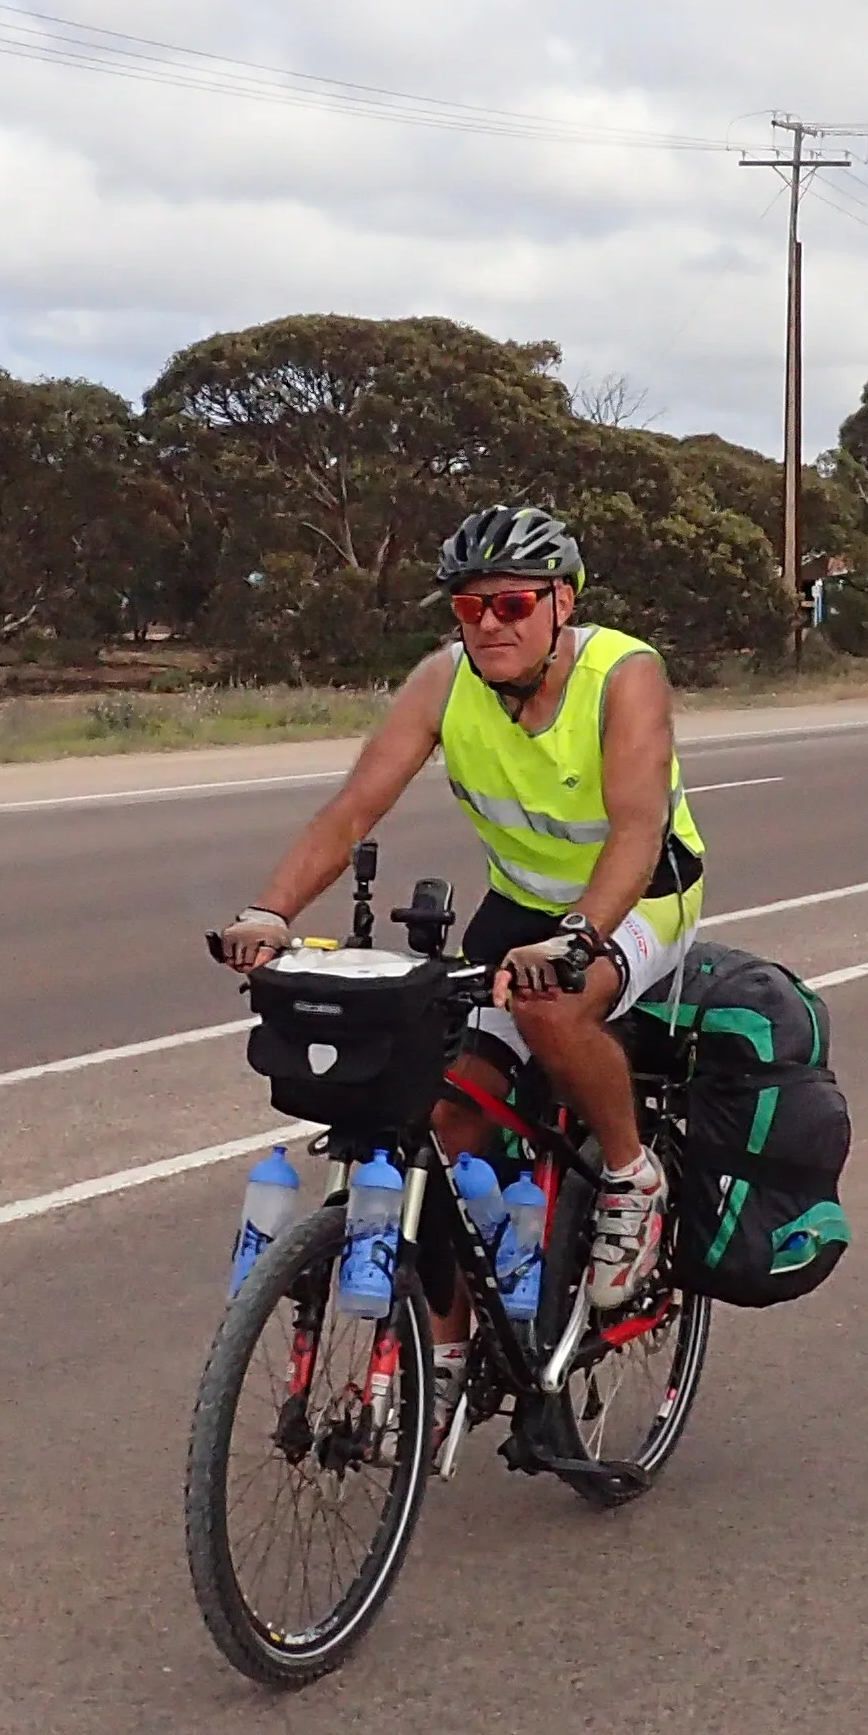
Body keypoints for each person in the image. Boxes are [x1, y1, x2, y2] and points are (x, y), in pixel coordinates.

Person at [212, 504, 708, 1339]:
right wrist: (271, 909)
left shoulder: (624, 674)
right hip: (517, 904)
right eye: (470, 607)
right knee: (440, 1126)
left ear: (562, 603)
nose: (488, 624)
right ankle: (437, 1366)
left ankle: (631, 1175)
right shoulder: (444, 680)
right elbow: (352, 811)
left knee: (552, 1006)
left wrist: (580, 935)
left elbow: (635, 829)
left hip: (640, 894)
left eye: (511, 604)